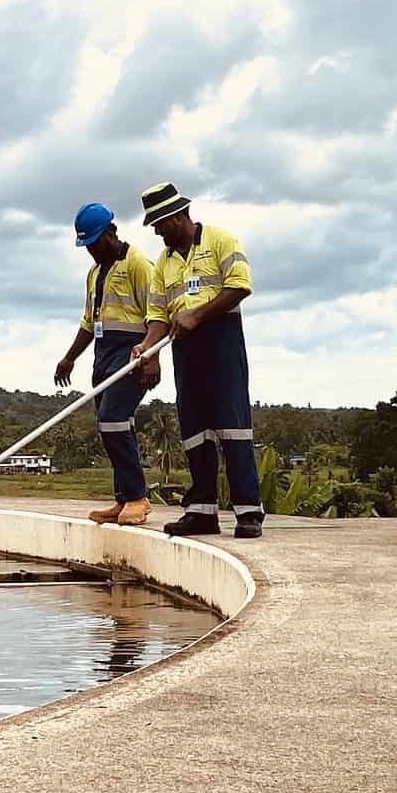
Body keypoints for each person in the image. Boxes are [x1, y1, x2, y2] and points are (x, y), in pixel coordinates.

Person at [129, 182, 264, 539]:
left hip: (222, 337)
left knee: (233, 424)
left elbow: (240, 286)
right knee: (194, 427)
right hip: (184, 345)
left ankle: (248, 510)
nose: (157, 232)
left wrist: (198, 314)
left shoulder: (221, 240)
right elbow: (158, 314)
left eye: (159, 224)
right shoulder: (164, 262)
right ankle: (202, 511)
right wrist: (148, 347)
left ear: (177, 217)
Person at [54, 202, 159, 526]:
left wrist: (151, 357)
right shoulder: (95, 272)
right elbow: (90, 321)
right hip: (103, 354)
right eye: (87, 247)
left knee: (113, 418)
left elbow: (158, 314)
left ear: (112, 232)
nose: (92, 251)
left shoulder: (139, 263)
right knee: (108, 424)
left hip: (132, 353)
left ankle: (138, 497)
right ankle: (124, 497)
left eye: (96, 243)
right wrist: (70, 357)